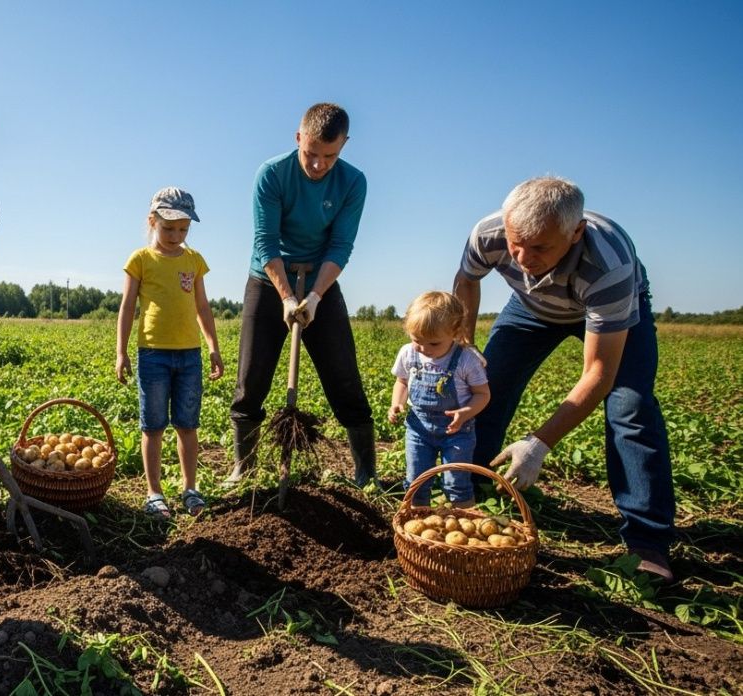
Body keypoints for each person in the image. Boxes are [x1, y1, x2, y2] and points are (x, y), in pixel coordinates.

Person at [453, 176, 676, 582]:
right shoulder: (489, 234)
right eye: (516, 241)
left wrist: (538, 444)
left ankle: (647, 539)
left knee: (631, 406)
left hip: (609, 313)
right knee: (486, 383)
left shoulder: (608, 264)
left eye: (540, 247)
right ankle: (469, 483)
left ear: (576, 233)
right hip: (530, 307)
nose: (522, 257)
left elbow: (599, 373)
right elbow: (467, 280)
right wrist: (466, 343)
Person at [227, 102, 376, 488]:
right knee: (251, 381)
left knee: (344, 379)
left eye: (330, 155)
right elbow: (265, 242)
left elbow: (341, 246)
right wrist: (287, 298)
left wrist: (313, 297)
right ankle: (244, 469)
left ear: (344, 145)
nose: (318, 165)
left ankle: (366, 473)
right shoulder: (272, 174)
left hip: (319, 286)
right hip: (268, 280)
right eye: (311, 154)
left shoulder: (353, 182)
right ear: (298, 138)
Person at [116, 188, 223, 519]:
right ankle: (154, 493)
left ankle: (190, 489)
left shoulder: (194, 261)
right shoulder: (141, 260)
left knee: (187, 424)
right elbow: (128, 307)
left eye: (183, 230)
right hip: (153, 356)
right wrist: (121, 352)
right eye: (168, 228)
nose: (176, 236)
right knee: (153, 426)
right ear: (152, 221)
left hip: (190, 356)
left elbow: (202, 306)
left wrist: (214, 347)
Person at [387, 291, 490, 507]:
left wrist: (466, 412)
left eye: (434, 344)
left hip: (457, 432)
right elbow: (402, 382)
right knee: (416, 481)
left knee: (457, 482)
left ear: (455, 332)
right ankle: (416, 524)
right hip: (418, 429)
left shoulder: (466, 360)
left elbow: (482, 394)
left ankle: (465, 524)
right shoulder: (408, 353)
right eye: (417, 341)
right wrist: (397, 402)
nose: (424, 349)